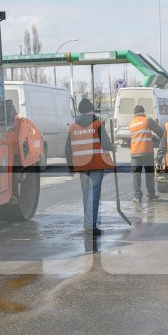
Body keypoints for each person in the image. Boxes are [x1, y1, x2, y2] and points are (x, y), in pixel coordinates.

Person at [65, 98, 116, 235]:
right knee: (93, 195)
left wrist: (70, 167)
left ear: (80, 111)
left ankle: (88, 224)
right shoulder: (97, 124)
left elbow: (68, 149)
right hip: (95, 164)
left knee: (86, 195)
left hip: (81, 166)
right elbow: (105, 144)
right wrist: (113, 147)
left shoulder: (73, 127)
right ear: (91, 110)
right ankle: (90, 226)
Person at [130, 104, 164, 203]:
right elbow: (160, 132)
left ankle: (137, 196)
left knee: (136, 174)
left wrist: (151, 137)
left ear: (135, 113)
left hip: (134, 152)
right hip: (146, 151)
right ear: (143, 112)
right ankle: (150, 195)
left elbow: (139, 135)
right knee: (149, 173)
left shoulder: (131, 122)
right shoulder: (147, 120)